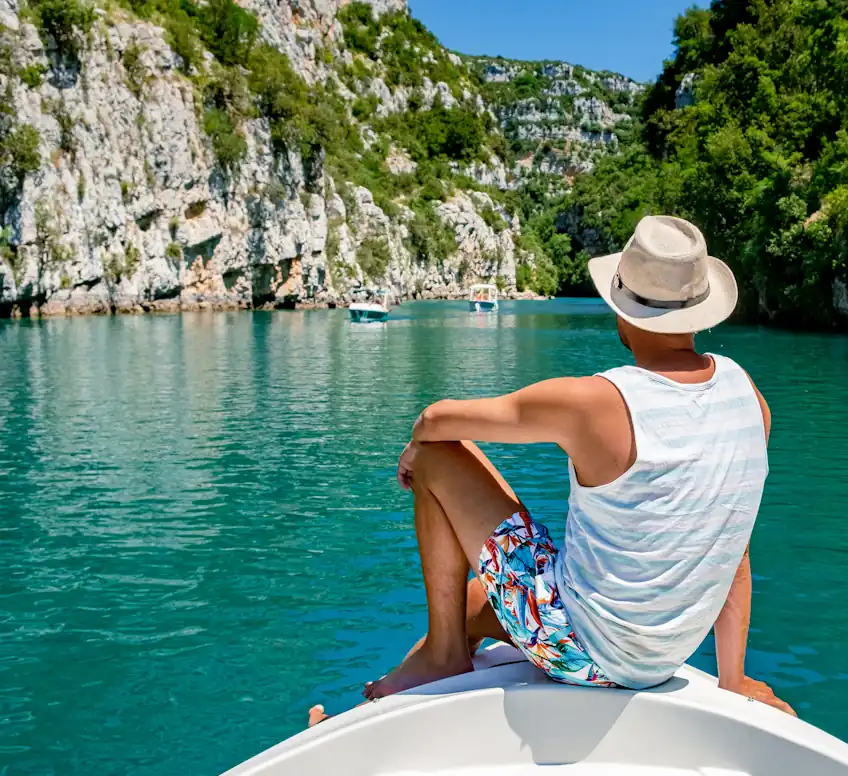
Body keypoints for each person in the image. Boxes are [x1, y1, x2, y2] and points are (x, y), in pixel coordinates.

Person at [310, 215, 792, 726]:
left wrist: (415, 446)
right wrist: (732, 679)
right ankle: (426, 662)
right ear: (700, 312)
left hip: (582, 651)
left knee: (438, 453)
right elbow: (732, 545)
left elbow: (435, 419)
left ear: (621, 312)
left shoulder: (596, 402)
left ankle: (438, 662)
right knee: (472, 602)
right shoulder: (750, 399)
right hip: (662, 656)